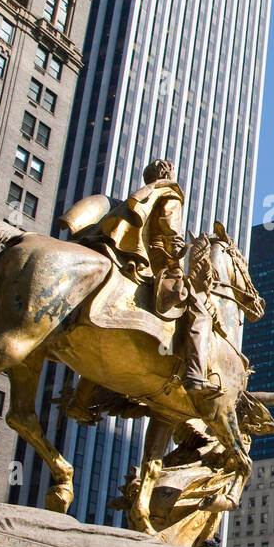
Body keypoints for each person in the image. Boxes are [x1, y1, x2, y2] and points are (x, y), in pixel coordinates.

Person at [60, 159, 218, 409]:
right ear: (169, 174)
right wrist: (178, 247)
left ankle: (81, 399)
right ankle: (196, 375)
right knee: (201, 312)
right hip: (158, 263)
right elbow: (168, 226)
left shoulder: (138, 197)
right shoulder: (169, 192)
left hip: (128, 255)